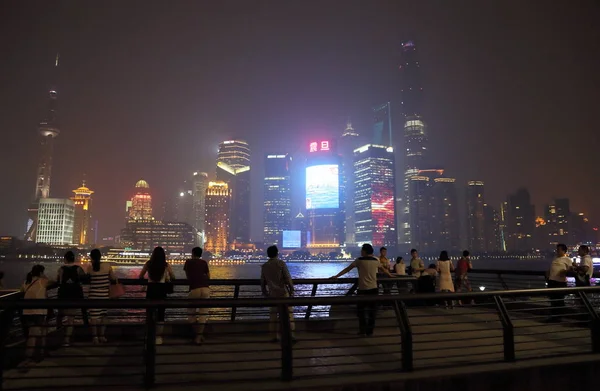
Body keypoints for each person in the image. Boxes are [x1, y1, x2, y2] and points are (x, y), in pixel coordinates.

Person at [331, 243, 394, 336]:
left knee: (361, 312)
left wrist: (336, 276)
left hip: (362, 289)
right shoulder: (376, 260)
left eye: (362, 250)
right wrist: (390, 275)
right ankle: (370, 332)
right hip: (374, 289)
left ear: (364, 251)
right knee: (372, 312)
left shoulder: (359, 260)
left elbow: (347, 269)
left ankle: (362, 330)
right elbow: (384, 270)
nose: (361, 251)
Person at [139, 247, 175, 345]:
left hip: (151, 290)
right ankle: (158, 337)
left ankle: (149, 335)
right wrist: (167, 279)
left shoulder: (148, 264)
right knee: (161, 315)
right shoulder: (166, 265)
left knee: (149, 313)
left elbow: (140, 276)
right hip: (161, 290)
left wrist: (145, 280)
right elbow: (173, 277)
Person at [260, 245, 296, 343]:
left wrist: (264, 292)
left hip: (272, 294)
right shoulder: (281, 264)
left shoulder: (265, 266)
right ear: (277, 253)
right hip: (283, 293)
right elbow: (288, 278)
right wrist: (292, 289)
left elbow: (262, 281)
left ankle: (274, 337)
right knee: (288, 314)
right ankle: (291, 335)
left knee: (273, 316)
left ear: (268, 254)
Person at [20, 265, 51, 364]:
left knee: (32, 334)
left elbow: (21, 292)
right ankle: (34, 356)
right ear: (41, 273)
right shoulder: (43, 281)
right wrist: (44, 276)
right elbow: (52, 281)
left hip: (26, 312)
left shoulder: (26, 282)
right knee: (40, 333)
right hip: (39, 312)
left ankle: (32, 355)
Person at [56, 251, 86, 346]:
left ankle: (59, 335)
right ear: (74, 259)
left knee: (60, 316)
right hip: (74, 295)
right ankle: (67, 340)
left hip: (63, 295)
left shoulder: (61, 269)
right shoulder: (78, 269)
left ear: (65, 259)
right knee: (70, 319)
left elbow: (58, 281)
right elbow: (84, 278)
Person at [87, 249, 115, 344]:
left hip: (93, 295)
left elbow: (88, 279)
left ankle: (95, 337)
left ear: (91, 257)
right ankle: (102, 336)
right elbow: (113, 278)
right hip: (104, 295)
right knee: (104, 316)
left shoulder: (90, 268)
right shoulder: (107, 266)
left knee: (93, 318)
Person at [184, 247, 210, 345]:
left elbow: (188, 276)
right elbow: (208, 276)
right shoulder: (204, 262)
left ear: (192, 253)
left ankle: (197, 335)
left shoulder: (188, 262)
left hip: (195, 288)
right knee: (203, 314)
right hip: (206, 288)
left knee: (191, 312)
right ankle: (199, 336)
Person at [546, 243, 573, 322]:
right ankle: (554, 317)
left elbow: (571, 269)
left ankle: (558, 317)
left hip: (560, 282)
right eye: (556, 249)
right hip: (552, 281)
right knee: (553, 300)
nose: (556, 251)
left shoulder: (567, 259)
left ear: (564, 251)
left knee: (559, 300)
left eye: (558, 249)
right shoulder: (555, 258)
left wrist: (565, 271)